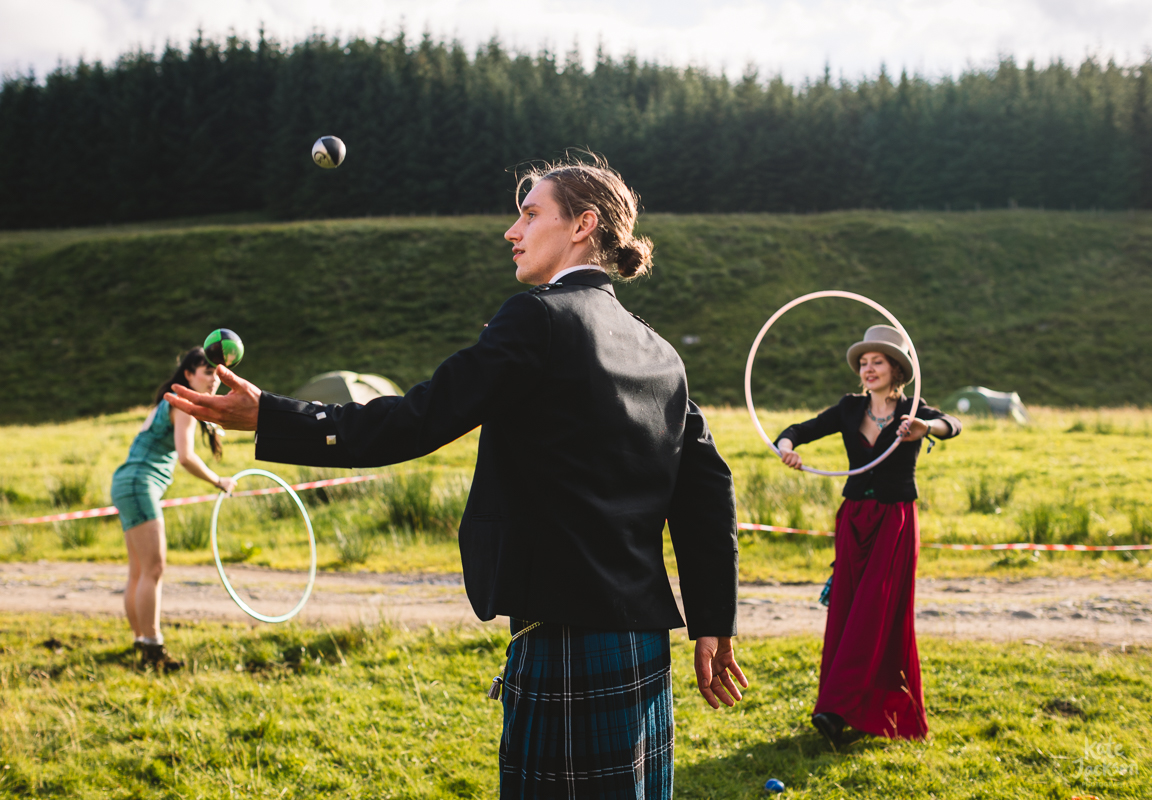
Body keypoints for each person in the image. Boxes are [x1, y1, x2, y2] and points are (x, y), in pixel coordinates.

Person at [168, 158, 747, 799]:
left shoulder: (538, 319)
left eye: (530, 214)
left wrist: (273, 416)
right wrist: (713, 620)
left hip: (562, 634)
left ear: (583, 226)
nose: (511, 231)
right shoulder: (659, 350)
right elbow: (706, 492)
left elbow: (417, 419)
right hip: (642, 640)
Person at [775, 325, 961, 743]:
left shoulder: (915, 410)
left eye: (877, 361)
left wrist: (925, 429)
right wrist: (787, 446)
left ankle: (837, 710)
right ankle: (844, 707)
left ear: (896, 368)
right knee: (848, 608)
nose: (868, 368)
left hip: (895, 522)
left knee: (876, 612)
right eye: (863, 362)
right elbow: (797, 429)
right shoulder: (848, 407)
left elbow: (954, 424)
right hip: (854, 521)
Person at [111, 347, 237, 670]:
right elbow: (186, 456)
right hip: (140, 484)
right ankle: (153, 651)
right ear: (188, 375)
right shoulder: (183, 406)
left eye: (217, 374)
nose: (213, 380)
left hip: (126, 482)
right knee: (153, 569)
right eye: (207, 372)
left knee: (139, 571)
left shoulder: (165, 401)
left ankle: (142, 641)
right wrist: (217, 480)